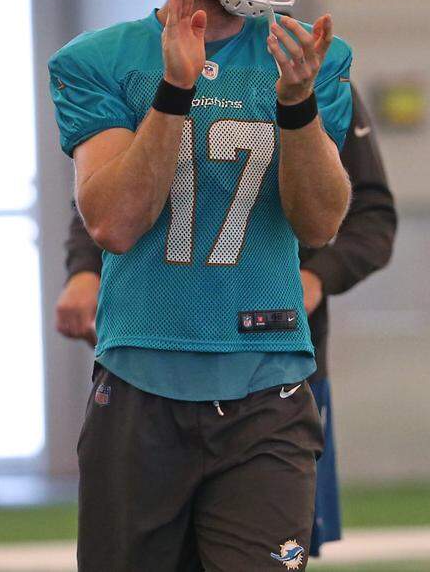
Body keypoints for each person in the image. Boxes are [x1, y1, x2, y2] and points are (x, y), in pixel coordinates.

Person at [49, 0, 354, 571]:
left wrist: (297, 106)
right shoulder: (99, 59)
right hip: (142, 383)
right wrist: (175, 91)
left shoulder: (308, 59)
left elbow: (322, 222)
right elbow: (113, 221)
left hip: (268, 382)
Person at [55, 81, 397, 558]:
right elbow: (104, 195)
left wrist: (317, 277)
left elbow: (371, 215)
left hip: (274, 363)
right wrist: (84, 272)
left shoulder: (317, 72)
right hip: (157, 361)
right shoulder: (139, 62)